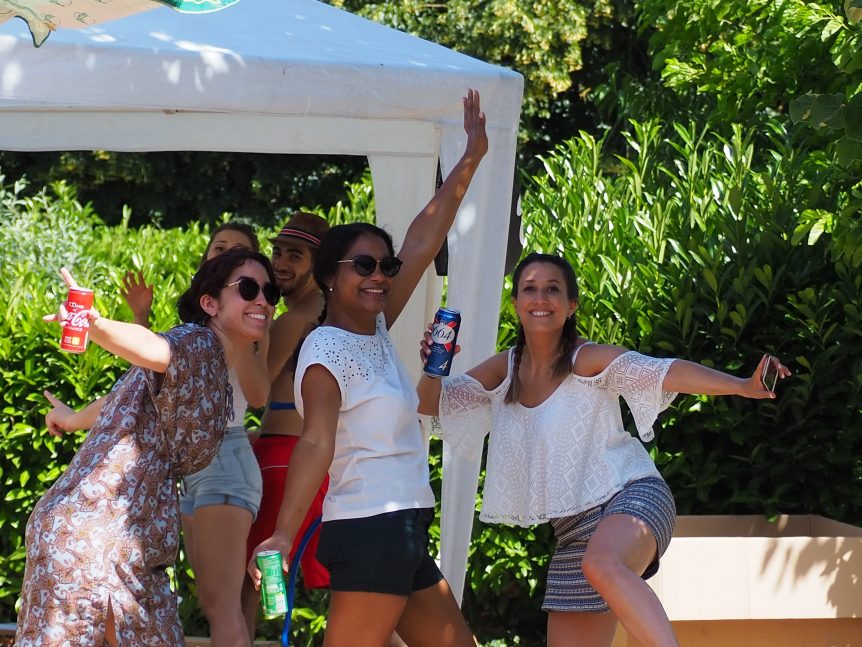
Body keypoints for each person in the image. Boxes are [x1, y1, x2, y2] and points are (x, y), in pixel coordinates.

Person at [416, 252, 791, 647]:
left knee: (602, 562)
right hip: (572, 532)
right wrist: (433, 368)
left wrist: (742, 385)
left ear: (570, 305)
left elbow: (664, 371)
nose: (540, 298)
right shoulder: (505, 369)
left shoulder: (586, 359)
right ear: (516, 304)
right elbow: (429, 403)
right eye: (529, 289)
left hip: (629, 497)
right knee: (594, 570)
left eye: (552, 290)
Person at [247, 88, 488, 647]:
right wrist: (283, 534)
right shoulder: (325, 350)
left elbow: (422, 240)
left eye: (385, 265)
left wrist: (470, 158)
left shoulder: (372, 328)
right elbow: (315, 442)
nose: (379, 275)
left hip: (403, 525)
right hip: (370, 527)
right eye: (363, 265)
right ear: (330, 277)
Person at [16, 249, 278, 646]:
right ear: (210, 304)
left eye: (269, 292)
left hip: (123, 541)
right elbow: (152, 347)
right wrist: (96, 324)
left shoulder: (212, 371)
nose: (262, 299)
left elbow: (127, 393)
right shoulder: (199, 343)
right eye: (247, 288)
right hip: (97, 535)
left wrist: (71, 419)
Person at [122, 221, 269, 646]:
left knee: (224, 606)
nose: (227, 253)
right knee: (212, 602)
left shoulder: (254, 319)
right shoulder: (196, 326)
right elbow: (144, 385)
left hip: (226, 455)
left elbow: (259, 394)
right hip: (193, 463)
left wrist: (241, 334)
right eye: (219, 248)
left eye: (239, 251)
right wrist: (141, 317)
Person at [240, 212, 332, 639]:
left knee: (244, 587)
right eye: (277, 252)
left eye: (295, 255)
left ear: (320, 264)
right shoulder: (325, 313)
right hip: (302, 457)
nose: (280, 263)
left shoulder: (297, 318)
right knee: (351, 590)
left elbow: (255, 391)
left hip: (282, 459)